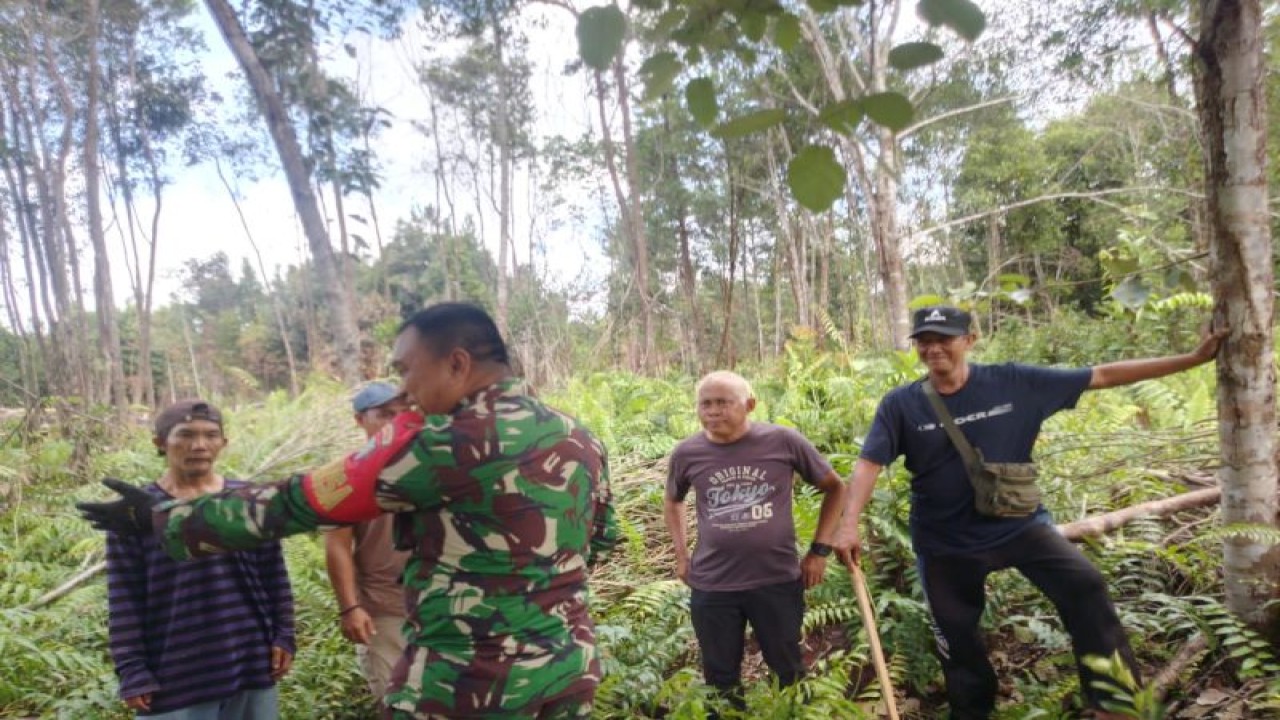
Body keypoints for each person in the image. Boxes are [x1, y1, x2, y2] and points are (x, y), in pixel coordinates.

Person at [80, 303, 618, 720]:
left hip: (473, 681)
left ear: (457, 363)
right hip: (569, 666)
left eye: (408, 370)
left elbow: (300, 503)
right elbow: (601, 538)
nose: (404, 390)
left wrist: (165, 520)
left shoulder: (443, 443)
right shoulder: (580, 435)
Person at [832, 306, 1226, 720]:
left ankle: (1115, 704)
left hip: (1018, 526)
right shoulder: (901, 405)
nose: (933, 349)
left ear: (970, 339)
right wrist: (849, 523)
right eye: (924, 341)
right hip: (944, 541)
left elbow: (1103, 375)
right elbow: (868, 464)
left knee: (1086, 587)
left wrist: (1194, 359)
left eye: (943, 338)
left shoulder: (1014, 382)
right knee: (957, 638)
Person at [664, 371, 846, 708]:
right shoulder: (687, 453)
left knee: (787, 669)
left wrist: (819, 551)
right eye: (705, 403)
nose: (713, 411)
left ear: (749, 405)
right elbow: (672, 500)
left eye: (723, 402)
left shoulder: (783, 441)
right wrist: (680, 555)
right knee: (719, 679)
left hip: (775, 580)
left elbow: (835, 488)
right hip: (713, 584)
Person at [105, 400, 294, 719]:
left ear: (224, 442)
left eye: (211, 435)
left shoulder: (247, 500)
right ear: (160, 443)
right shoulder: (133, 512)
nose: (199, 445)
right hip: (177, 672)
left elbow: (274, 575)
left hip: (250, 661)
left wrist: (284, 635)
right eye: (186, 435)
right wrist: (132, 669)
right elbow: (124, 596)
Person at [324, 382, 411, 700]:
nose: (396, 422)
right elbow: (337, 545)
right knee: (395, 702)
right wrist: (350, 607)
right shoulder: (343, 475)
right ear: (360, 420)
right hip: (383, 610)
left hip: (438, 606)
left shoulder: (431, 467)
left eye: (403, 414)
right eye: (385, 415)